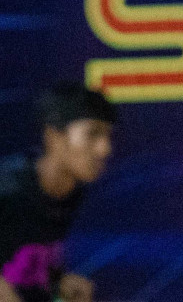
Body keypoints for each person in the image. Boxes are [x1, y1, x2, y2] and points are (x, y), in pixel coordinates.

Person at [0, 83, 116, 302]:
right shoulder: (8, 188)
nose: (105, 149)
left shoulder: (72, 193)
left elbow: (24, 260)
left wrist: (57, 284)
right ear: (54, 136)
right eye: (92, 134)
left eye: (108, 136)